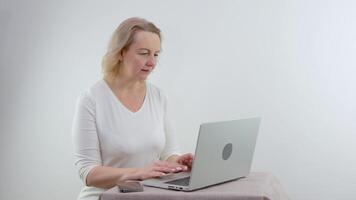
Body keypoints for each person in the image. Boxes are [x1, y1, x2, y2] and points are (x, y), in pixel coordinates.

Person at [72, 17, 194, 200]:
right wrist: (139, 172)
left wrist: (178, 162)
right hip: (103, 196)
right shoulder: (91, 99)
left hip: (148, 195)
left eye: (156, 54)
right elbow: (88, 172)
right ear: (121, 53)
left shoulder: (159, 97)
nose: (152, 62)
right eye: (144, 53)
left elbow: (169, 153)